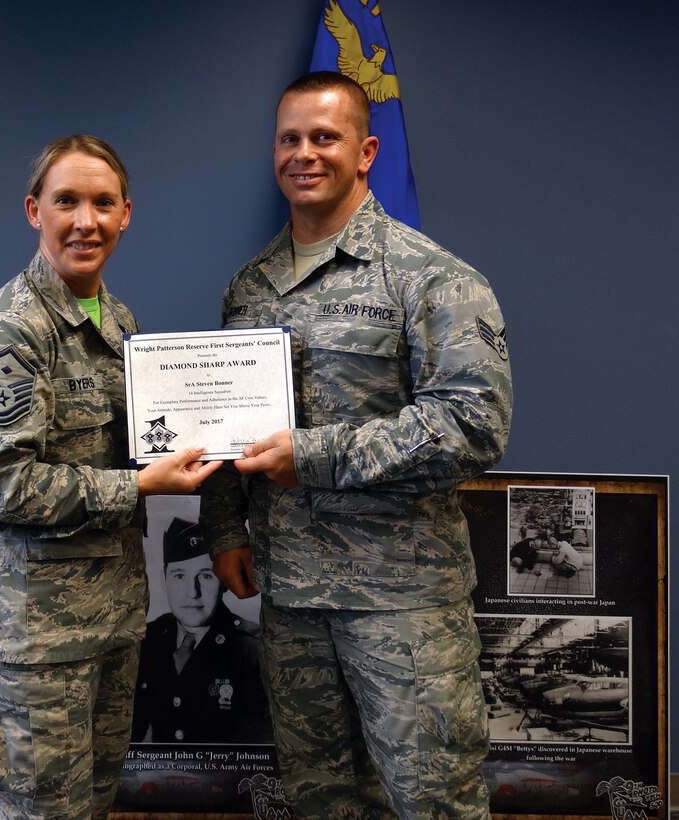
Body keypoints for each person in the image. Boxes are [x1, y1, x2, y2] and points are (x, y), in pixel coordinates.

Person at [200, 72, 512, 818]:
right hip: (293, 602)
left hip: (400, 605)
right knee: (323, 801)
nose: (303, 154)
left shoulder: (430, 278)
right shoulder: (250, 288)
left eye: (324, 137)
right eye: (289, 138)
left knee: (434, 801)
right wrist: (221, 527)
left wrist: (314, 455)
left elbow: (473, 422)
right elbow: (223, 419)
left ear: (366, 150)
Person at [0, 135, 222, 820]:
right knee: (33, 811)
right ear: (32, 209)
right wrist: (140, 487)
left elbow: (137, 444)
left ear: (126, 214)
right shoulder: (8, 331)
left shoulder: (118, 320)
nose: (84, 221)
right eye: (65, 201)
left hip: (109, 623)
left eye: (102, 204)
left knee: (90, 806)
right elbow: (4, 487)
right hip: (34, 639)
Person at [132, 517, 272, 744]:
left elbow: (259, 743)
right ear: (163, 579)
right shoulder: (147, 639)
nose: (192, 592)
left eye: (206, 576)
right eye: (179, 575)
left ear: (224, 580)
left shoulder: (252, 648)